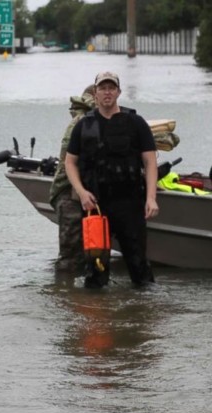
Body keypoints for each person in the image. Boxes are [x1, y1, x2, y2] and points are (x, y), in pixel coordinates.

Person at [65, 71, 159, 288]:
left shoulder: (136, 123)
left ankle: (143, 314)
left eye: (111, 88)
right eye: (102, 88)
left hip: (130, 203)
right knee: (96, 267)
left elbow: (150, 162)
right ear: (95, 93)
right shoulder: (83, 125)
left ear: (118, 92)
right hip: (95, 205)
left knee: (139, 267)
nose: (107, 92)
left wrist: (151, 198)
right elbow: (70, 163)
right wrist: (81, 192)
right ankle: (97, 316)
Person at [49, 85, 95, 273]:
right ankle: (65, 295)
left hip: (84, 193)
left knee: (90, 252)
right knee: (71, 256)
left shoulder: (89, 121)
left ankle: (77, 297)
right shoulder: (81, 123)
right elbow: (71, 163)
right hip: (69, 194)